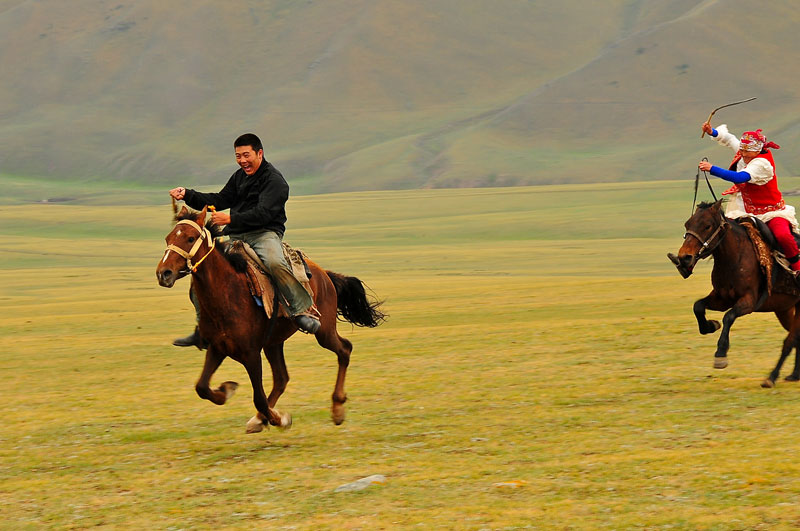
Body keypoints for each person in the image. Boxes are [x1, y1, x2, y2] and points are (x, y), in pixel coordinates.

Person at [169, 133, 320, 347]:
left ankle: (301, 310)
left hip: (264, 234)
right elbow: (220, 200)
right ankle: (202, 329)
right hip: (237, 235)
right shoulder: (239, 177)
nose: (242, 161)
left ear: (260, 153)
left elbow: (264, 213)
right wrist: (187, 194)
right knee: (203, 269)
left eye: (246, 155)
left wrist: (230, 218)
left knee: (275, 262)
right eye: (238, 156)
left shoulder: (275, 181)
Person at [699, 122, 800, 273]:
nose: (744, 155)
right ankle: (691, 260)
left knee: (783, 235)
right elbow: (729, 139)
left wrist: (712, 168)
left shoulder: (762, 164)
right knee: (723, 233)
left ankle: (797, 268)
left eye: (748, 152)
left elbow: (740, 177)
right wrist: (711, 131)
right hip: (744, 209)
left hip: (770, 212)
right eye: (742, 151)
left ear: (758, 150)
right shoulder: (746, 150)